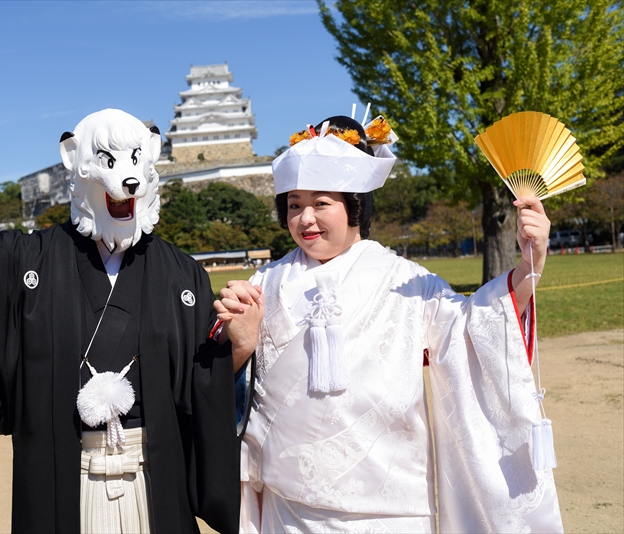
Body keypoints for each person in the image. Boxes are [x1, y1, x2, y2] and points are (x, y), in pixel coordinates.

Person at [0, 94, 253, 533]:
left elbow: (202, 389)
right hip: (62, 482)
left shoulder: (182, 274)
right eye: (108, 161)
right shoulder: (27, 259)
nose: (128, 179)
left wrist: (240, 345)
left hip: (154, 481)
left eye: (135, 160)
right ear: (74, 160)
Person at [215, 115, 564, 533]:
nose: (305, 218)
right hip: (286, 506)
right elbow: (223, 374)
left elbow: (473, 329)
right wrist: (239, 341)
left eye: (321, 203)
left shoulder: (404, 280)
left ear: (356, 205)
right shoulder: (264, 283)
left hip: (390, 505)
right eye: (294, 205)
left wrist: (530, 264)